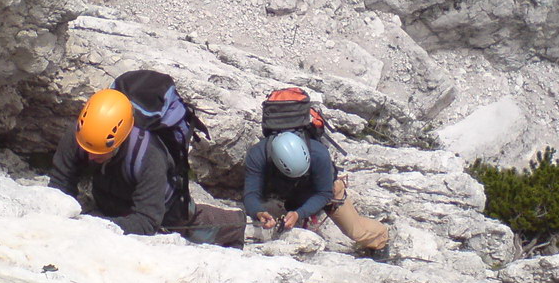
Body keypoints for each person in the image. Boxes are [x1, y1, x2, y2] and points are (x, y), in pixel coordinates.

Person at [49, 84, 244, 247]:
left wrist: (97, 225)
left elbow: (147, 221)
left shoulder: (149, 155)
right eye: (89, 150)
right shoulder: (84, 133)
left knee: (196, 225)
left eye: (100, 153)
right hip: (112, 196)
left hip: (167, 207)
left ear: (121, 140)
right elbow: (60, 182)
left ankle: (240, 224)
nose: (90, 157)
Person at [242, 130, 390, 258]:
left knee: (356, 231)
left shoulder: (319, 154)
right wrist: (259, 212)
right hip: (288, 193)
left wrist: (299, 214)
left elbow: (325, 193)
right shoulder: (257, 155)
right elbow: (251, 193)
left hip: (324, 189)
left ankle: (381, 238)